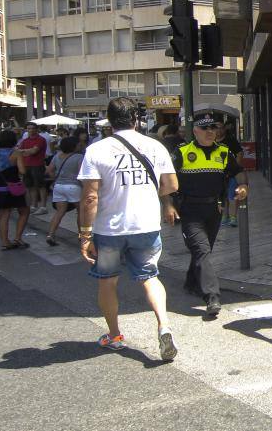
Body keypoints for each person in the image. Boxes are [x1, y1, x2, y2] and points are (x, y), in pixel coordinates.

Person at [77, 97, 180, 360]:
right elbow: (171, 186)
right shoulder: (154, 146)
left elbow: (90, 197)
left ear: (110, 121)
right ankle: (164, 326)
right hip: (145, 224)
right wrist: (146, 192)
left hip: (109, 229)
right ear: (136, 119)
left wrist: (85, 233)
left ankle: (114, 335)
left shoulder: (97, 150)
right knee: (150, 277)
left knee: (107, 281)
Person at [164, 116, 249, 317]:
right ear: (195, 131)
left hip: (214, 210)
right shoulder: (183, 152)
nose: (210, 131)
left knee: (204, 250)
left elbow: (238, 172)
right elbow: (166, 177)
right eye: (205, 128)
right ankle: (212, 296)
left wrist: (243, 186)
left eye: (214, 127)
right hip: (190, 210)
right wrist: (168, 205)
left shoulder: (223, 152)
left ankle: (191, 282)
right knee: (202, 250)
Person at [0, 130, 30, 250]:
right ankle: (18, 238)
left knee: (3, 215)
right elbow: (22, 171)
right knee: (24, 211)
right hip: (13, 187)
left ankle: (5, 242)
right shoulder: (16, 153)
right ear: (13, 140)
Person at [45, 136, 83, 246]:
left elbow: (50, 170)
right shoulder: (79, 157)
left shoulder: (57, 156)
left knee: (60, 212)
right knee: (80, 211)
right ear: (74, 146)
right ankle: (82, 236)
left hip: (59, 186)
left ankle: (50, 234)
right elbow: (82, 174)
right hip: (74, 186)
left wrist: (57, 176)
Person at [215, 120, 243, 227]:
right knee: (222, 197)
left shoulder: (231, 140)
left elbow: (239, 153)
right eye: (216, 128)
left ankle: (233, 218)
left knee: (231, 196)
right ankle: (224, 217)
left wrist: (236, 168)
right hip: (218, 175)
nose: (219, 130)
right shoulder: (211, 142)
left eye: (221, 128)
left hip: (231, 174)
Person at [18, 122, 49, 214]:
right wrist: (27, 151)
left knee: (41, 186)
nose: (31, 130)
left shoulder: (41, 139)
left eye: (32, 128)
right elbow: (18, 151)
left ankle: (43, 206)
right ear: (26, 130)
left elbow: (34, 151)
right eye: (29, 128)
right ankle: (33, 205)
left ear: (37, 129)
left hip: (38, 165)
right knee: (30, 186)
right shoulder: (25, 141)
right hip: (27, 165)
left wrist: (23, 151)